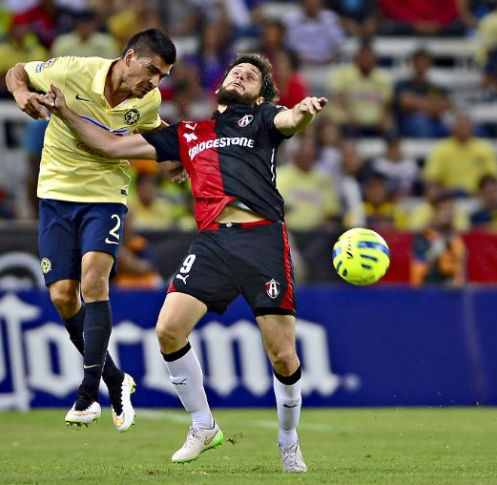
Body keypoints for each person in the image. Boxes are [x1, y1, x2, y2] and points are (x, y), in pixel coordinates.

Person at [44, 52, 326, 473]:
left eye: (251, 76)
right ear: (221, 84)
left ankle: (288, 441)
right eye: (236, 71)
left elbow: (291, 121)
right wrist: (65, 111)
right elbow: (110, 145)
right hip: (212, 242)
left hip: (262, 239)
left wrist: (303, 111)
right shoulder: (189, 132)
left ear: (261, 96)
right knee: (168, 330)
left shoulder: (265, 119)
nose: (241, 75)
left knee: (283, 356)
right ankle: (203, 425)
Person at [4, 28, 177, 430]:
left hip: (106, 194)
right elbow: (18, 71)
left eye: (162, 76)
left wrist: (177, 157)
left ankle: (87, 394)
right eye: (152, 70)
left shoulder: (148, 100)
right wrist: (21, 93)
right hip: (56, 191)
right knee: (63, 296)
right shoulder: (72, 71)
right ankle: (115, 380)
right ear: (129, 57)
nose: (154, 82)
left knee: (94, 281)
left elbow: (153, 127)